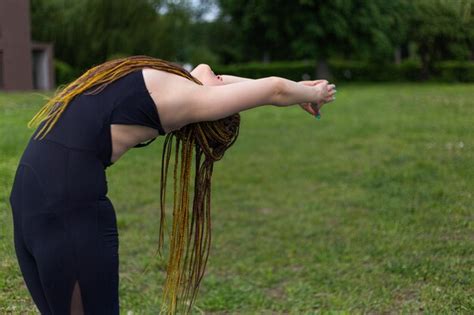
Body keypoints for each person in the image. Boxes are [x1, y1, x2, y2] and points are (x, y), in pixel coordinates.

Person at [8, 56, 336, 315]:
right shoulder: (174, 82)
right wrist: (304, 91)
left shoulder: (181, 94)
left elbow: (271, 89)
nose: (221, 79)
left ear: (209, 109)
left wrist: (311, 94)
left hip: (41, 197)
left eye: (220, 88)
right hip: (55, 201)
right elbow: (258, 86)